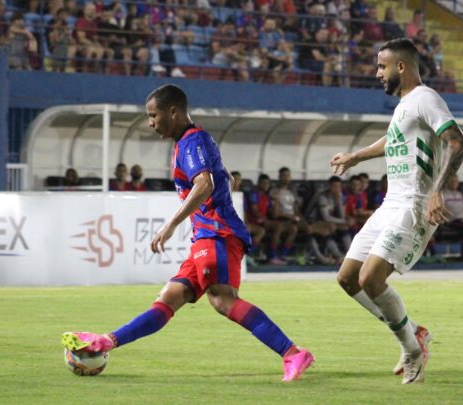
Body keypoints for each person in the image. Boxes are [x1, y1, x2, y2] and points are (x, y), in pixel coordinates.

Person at [62, 84, 314, 382]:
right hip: (206, 236)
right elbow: (224, 178)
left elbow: (205, 183)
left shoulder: (192, 141)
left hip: (218, 234)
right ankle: (107, 341)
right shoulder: (189, 142)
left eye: (154, 115)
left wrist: (171, 224)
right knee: (170, 296)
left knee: (223, 299)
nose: (151, 122)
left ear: (173, 112)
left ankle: (292, 353)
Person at [329, 38, 463, 384]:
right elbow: (393, 140)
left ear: (401, 67)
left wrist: (437, 190)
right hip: (391, 202)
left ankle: (412, 351)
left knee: (371, 278)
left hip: (414, 204)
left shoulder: (426, 98)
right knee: (348, 278)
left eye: (382, 66)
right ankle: (414, 333)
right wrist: (355, 156)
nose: (378, 73)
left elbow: (457, 141)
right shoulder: (405, 106)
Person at [247, 174, 288, 265]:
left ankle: (273, 255)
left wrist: (276, 200)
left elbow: (274, 214)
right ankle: (271, 255)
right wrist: (265, 220)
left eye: (268, 183)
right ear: (258, 183)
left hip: (263, 221)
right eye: (264, 183)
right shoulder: (253, 194)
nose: (266, 185)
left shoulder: (267, 197)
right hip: (253, 220)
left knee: (280, 226)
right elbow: (255, 212)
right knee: (277, 226)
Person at [231, 171, 266, 258]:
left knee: (261, 231)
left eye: (238, 179)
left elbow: (244, 211)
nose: (236, 181)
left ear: (241, 181)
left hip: (242, 223)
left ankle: (248, 255)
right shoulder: (226, 194)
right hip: (231, 223)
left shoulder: (242, 196)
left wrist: (246, 222)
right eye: (234, 179)